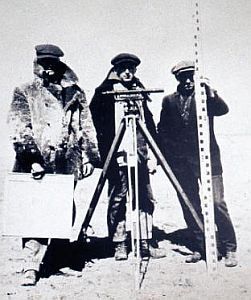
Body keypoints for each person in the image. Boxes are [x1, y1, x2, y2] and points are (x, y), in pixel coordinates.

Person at [7, 44, 100, 285]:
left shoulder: (75, 92)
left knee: (63, 210)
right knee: (35, 213)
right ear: (36, 64)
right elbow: (18, 126)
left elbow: (85, 125)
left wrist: (88, 156)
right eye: (43, 63)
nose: (48, 69)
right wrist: (32, 160)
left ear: (59, 65)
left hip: (66, 161)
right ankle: (31, 266)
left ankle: (59, 260)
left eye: (52, 64)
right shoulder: (25, 91)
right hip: (37, 162)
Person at [157, 60, 237, 267]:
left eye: (190, 77)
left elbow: (222, 109)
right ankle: (201, 247)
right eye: (182, 77)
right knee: (190, 204)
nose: (186, 81)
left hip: (208, 160)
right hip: (181, 165)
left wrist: (211, 90)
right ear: (177, 79)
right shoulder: (169, 101)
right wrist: (165, 160)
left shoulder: (205, 98)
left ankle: (229, 248)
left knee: (217, 203)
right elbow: (162, 131)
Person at [89, 53, 166, 260]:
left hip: (139, 155)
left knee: (144, 199)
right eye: (123, 69)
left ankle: (144, 241)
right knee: (117, 199)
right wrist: (102, 155)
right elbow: (95, 127)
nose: (127, 73)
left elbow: (148, 124)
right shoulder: (104, 92)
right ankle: (119, 243)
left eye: (131, 69)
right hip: (117, 156)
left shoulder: (139, 91)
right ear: (115, 70)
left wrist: (153, 155)